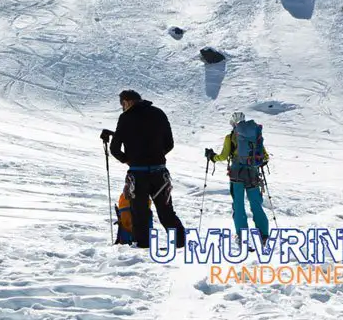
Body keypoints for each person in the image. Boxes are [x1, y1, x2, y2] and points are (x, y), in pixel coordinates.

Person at [101, 89, 187, 250]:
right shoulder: (159, 113)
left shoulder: (125, 118)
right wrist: (155, 156)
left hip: (138, 174)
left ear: (126, 102)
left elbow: (115, 148)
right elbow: (169, 144)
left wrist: (129, 160)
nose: (122, 108)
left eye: (122, 104)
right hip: (159, 173)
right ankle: (181, 245)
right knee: (166, 211)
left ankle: (143, 248)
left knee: (139, 213)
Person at [205, 112, 270, 241]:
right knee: (256, 204)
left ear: (233, 124)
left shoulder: (230, 137)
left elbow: (223, 156)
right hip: (252, 174)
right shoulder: (255, 134)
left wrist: (212, 157)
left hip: (236, 175)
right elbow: (265, 156)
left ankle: (242, 235)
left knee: (239, 205)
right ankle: (264, 234)